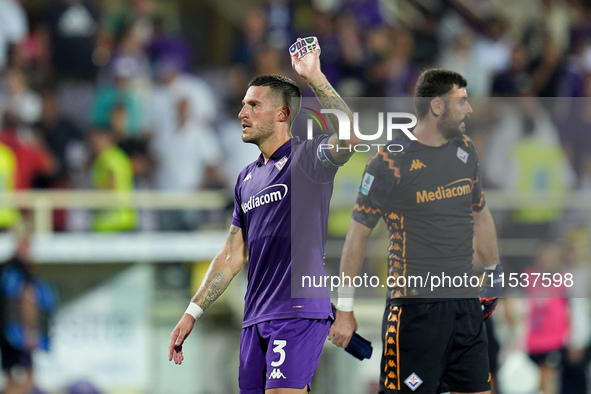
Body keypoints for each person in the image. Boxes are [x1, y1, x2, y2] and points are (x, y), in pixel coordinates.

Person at [168, 44, 360, 393]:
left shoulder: (307, 159)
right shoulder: (245, 179)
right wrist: (191, 312)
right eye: (243, 104)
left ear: (282, 114)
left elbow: (348, 136)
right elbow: (231, 255)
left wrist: (314, 77)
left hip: (298, 311)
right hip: (256, 317)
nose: (242, 112)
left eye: (254, 105)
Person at [329, 69, 502, 394]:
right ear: (437, 107)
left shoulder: (465, 150)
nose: (469, 110)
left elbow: (480, 214)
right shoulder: (389, 161)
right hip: (414, 311)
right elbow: (357, 235)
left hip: (464, 306)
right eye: (461, 101)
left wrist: (494, 271)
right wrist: (345, 310)